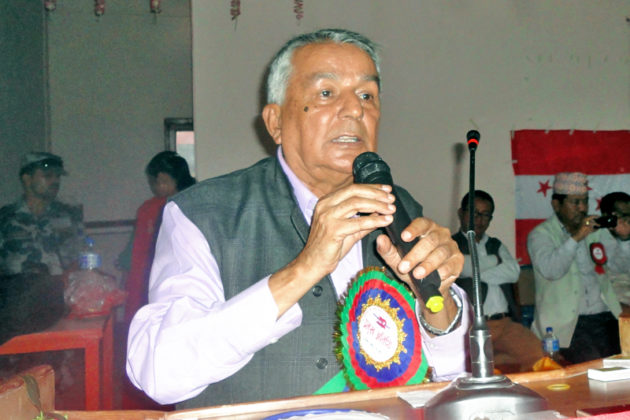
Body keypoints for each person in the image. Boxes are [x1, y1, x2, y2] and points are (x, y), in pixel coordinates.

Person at [126, 28, 469, 408]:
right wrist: (304, 268)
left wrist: (437, 302)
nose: (355, 109)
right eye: (326, 93)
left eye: (367, 95)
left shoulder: (398, 207)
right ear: (275, 122)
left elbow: (448, 370)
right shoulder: (202, 213)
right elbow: (159, 373)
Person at [527, 172, 622, 364]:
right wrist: (577, 237)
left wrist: (623, 238)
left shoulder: (595, 231)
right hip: (567, 325)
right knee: (594, 366)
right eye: (575, 202)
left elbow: (619, 266)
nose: (582, 208)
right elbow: (551, 270)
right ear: (556, 204)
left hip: (605, 315)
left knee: (622, 363)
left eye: (585, 202)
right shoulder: (540, 235)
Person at [453, 191, 544, 371]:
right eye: (475, 213)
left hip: (505, 323)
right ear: (461, 213)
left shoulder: (496, 244)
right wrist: (495, 261)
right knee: (479, 369)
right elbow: (463, 268)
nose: (479, 219)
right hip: (471, 327)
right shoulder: (451, 244)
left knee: (539, 357)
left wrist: (475, 273)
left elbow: (513, 272)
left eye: (485, 215)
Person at [120, 151, 196, 324]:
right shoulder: (197, 201)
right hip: (181, 282)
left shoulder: (153, 208)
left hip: (157, 281)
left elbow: (137, 253)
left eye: (153, 182)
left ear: (162, 179)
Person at [0, 152, 83, 276]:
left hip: (61, 291)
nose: (55, 181)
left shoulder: (69, 216)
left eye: (58, 176)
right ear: (27, 179)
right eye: (47, 176)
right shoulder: (6, 218)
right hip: (18, 292)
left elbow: (81, 257)